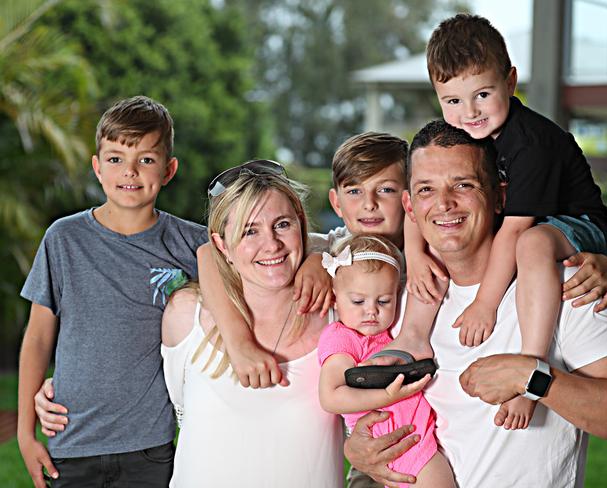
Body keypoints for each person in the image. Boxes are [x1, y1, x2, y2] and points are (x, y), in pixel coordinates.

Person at [344, 120, 607, 487]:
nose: (444, 204)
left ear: (501, 196)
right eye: (427, 189)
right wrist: (357, 451)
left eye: (463, 185)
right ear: (409, 205)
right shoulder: (396, 302)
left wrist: (533, 377)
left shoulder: (564, 286)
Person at [394, 13, 607, 429]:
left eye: (482, 94)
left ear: (511, 82)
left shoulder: (530, 143)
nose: (470, 112)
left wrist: (485, 304)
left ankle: (533, 363)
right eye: (453, 101)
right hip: (530, 224)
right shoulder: (462, 134)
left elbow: (515, 228)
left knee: (531, 244)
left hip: (577, 221)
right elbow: (419, 188)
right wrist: (415, 250)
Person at [17, 96, 206, 488]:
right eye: (116, 158)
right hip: (70, 441)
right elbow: (36, 339)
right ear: (97, 167)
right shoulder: (64, 239)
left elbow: (268, 252)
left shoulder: (193, 244)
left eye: (146, 160)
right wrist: (24, 432)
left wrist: (311, 264)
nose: (130, 172)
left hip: (149, 448)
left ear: (169, 170)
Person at [161, 162, 343, 486]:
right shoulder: (185, 317)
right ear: (222, 247)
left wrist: (320, 256)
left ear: (301, 226)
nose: (271, 245)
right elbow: (177, 407)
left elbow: (370, 241)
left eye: (282, 225)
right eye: (249, 231)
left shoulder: (340, 317)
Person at [195, 131, 410, 392]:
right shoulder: (332, 248)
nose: (369, 204)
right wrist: (239, 342)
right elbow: (209, 253)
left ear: (409, 197)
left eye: (386, 189)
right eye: (354, 191)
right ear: (336, 203)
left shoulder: (424, 253)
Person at [318, 234, 455, 488]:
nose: (372, 310)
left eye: (384, 301)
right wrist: (388, 397)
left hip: (415, 436)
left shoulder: (389, 331)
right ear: (335, 296)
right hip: (395, 441)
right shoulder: (341, 338)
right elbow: (331, 397)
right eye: (358, 301)